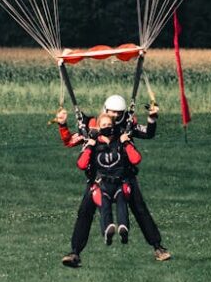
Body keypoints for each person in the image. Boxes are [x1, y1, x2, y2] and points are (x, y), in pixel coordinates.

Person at [57, 93, 171, 266]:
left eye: (119, 113)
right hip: (98, 180)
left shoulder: (126, 127)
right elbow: (69, 141)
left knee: (140, 210)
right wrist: (62, 124)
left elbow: (148, 133)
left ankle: (158, 247)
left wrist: (152, 119)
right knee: (84, 213)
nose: (115, 116)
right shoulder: (91, 128)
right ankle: (75, 253)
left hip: (125, 178)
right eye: (112, 112)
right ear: (105, 110)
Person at [77, 113, 142, 244]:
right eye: (103, 125)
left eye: (109, 125)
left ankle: (123, 228)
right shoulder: (94, 144)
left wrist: (126, 143)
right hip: (103, 184)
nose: (107, 127)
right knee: (104, 203)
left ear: (113, 126)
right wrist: (89, 145)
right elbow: (82, 164)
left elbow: (136, 159)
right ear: (98, 127)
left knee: (122, 199)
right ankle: (108, 229)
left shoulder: (120, 141)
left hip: (119, 183)